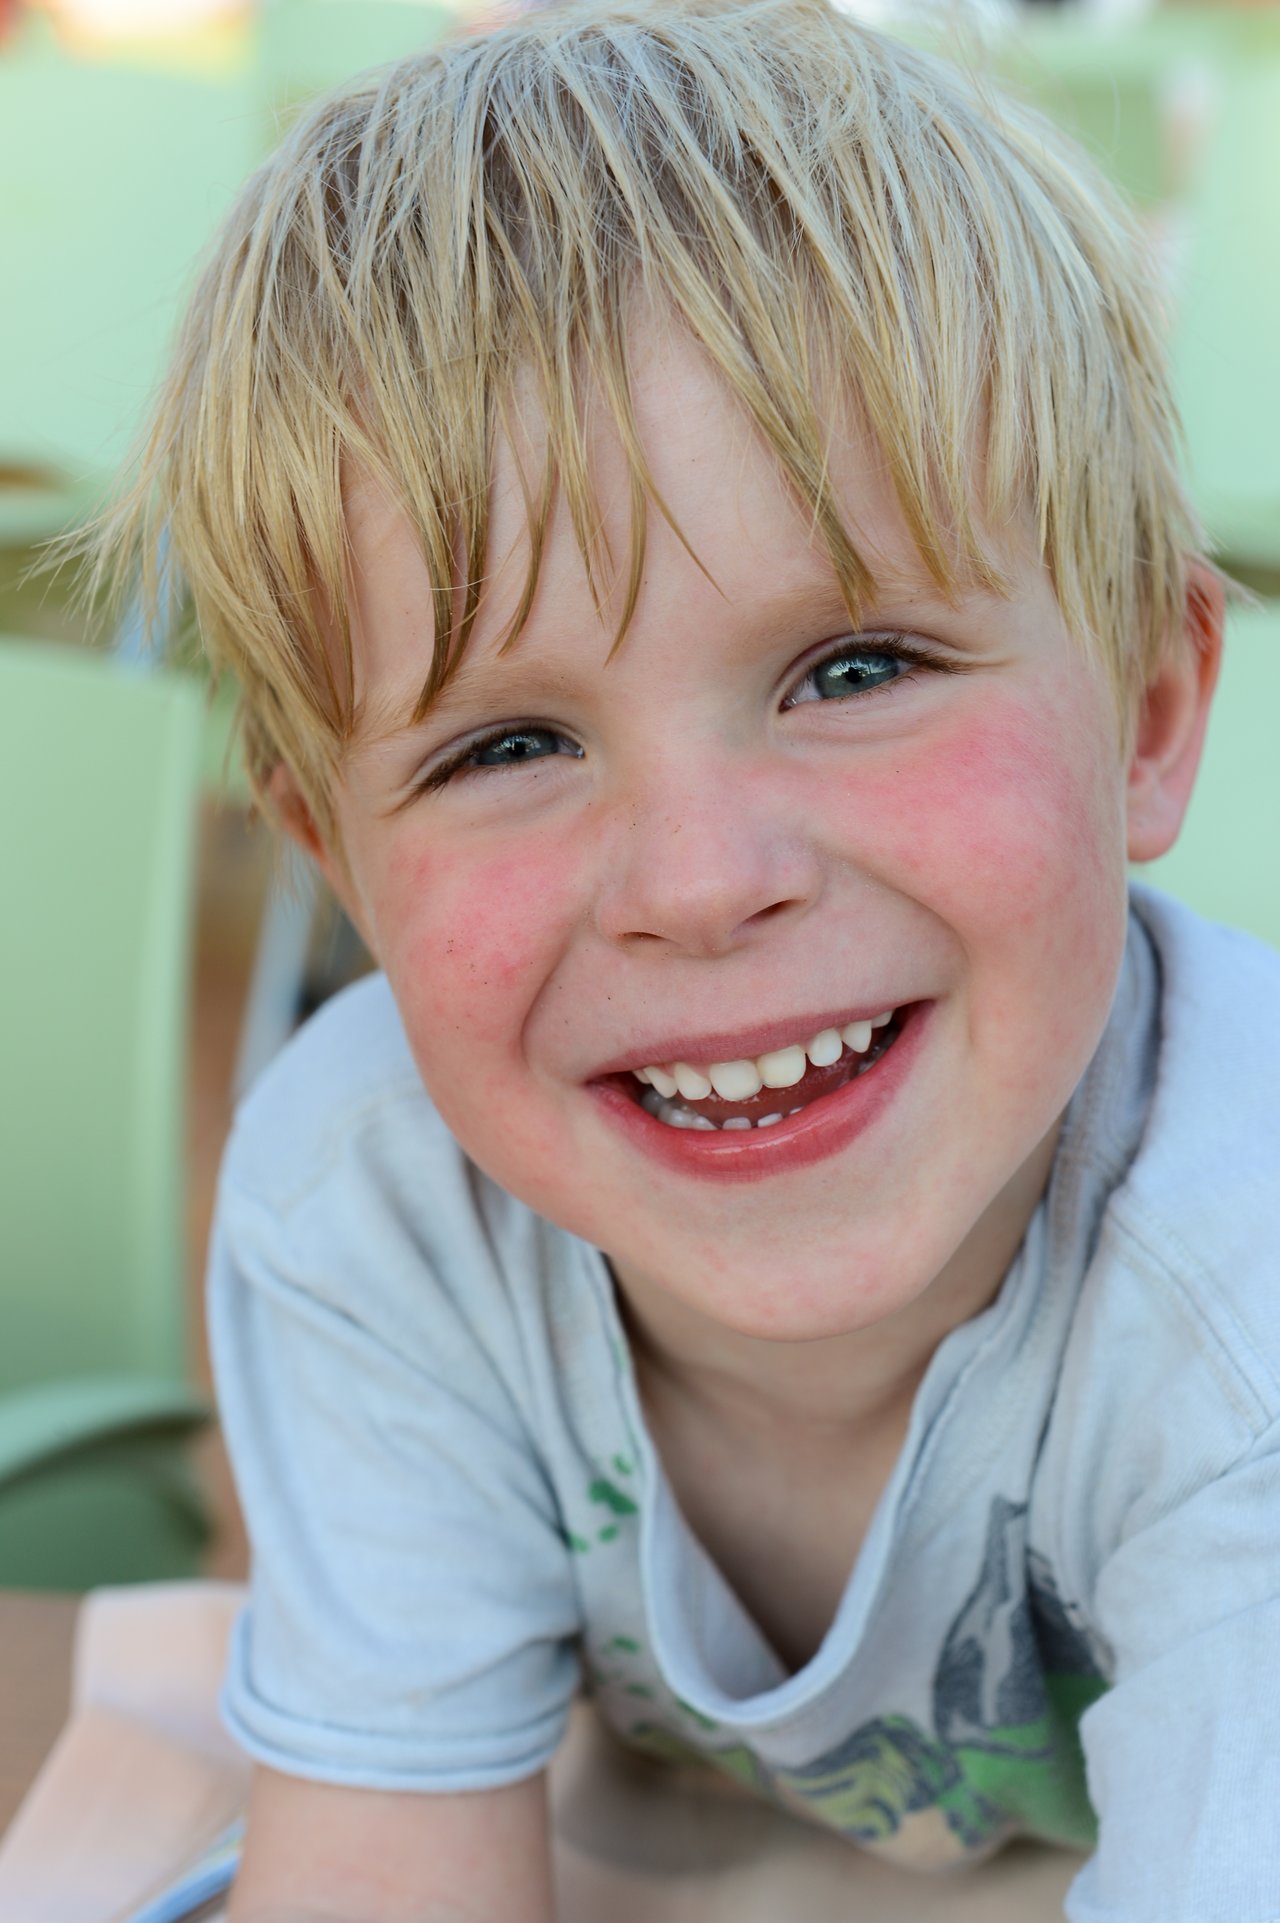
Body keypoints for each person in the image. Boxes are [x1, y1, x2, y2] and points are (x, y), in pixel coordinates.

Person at [91, 2, 1280, 1917]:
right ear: (342, 872)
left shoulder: (1247, 1284)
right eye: (507, 746)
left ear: (1146, 710)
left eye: (858, 669)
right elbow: (389, 1875)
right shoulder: (372, 1203)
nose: (701, 882)